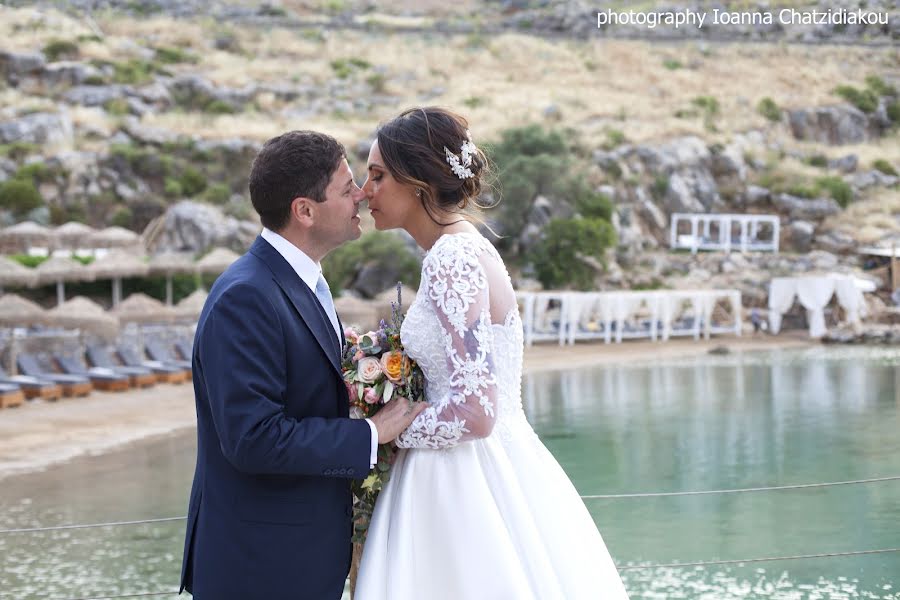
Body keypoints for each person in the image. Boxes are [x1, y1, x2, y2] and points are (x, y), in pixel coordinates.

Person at [354, 108, 630, 599]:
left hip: (462, 480)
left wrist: (390, 428)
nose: (364, 191)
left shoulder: (452, 257)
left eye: (377, 176)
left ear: (417, 181)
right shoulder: (465, 247)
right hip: (486, 462)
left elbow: (477, 412)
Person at [179, 130, 425, 600]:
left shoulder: (299, 282)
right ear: (305, 211)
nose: (361, 195)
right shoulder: (246, 297)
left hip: (295, 559)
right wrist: (374, 434)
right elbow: (253, 439)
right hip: (259, 568)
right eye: (346, 186)